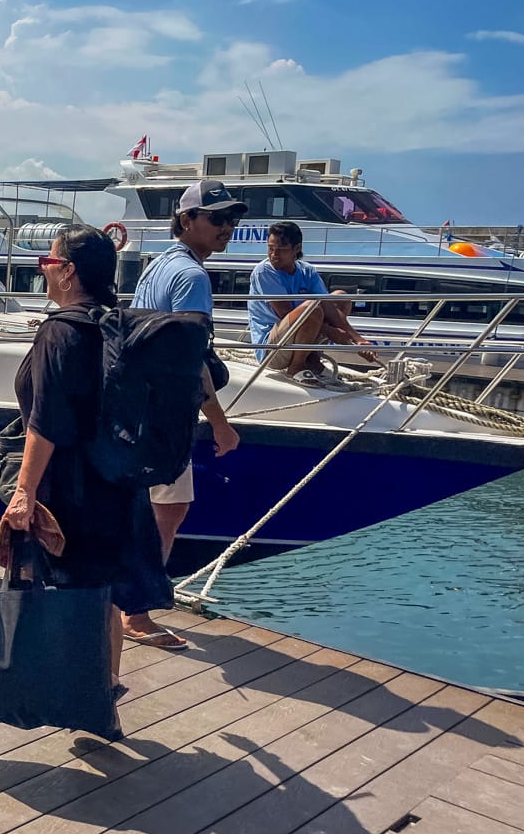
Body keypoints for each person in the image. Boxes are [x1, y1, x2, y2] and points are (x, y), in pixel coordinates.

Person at [3, 225, 175, 694]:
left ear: (69, 272)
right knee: (102, 593)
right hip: (118, 485)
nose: (44, 271)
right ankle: (105, 687)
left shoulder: (61, 332)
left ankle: (70, 690)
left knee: (64, 589)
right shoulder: (120, 324)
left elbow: (47, 422)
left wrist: (23, 493)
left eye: (48, 262)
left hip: (70, 490)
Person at [128, 179, 244, 649]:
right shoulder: (192, 278)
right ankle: (135, 613)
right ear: (186, 221)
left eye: (231, 220)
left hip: (137, 404)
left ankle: (130, 600)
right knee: (170, 507)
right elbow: (189, 359)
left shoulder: (157, 267)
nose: (227, 229)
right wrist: (219, 421)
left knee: (151, 507)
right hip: (164, 412)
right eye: (216, 219)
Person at [248, 221, 378, 385]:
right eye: (270, 249)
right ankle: (296, 367)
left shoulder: (307, 271)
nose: (274, 255)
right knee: (311, 307)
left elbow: (327, 304)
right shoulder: (264, 271)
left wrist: (359, 340)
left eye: (281, 250)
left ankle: (312, 358)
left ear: (296, 249)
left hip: (295, 337)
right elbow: (284, 313)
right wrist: (331, 331)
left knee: (340, 297)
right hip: (273, 348)